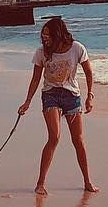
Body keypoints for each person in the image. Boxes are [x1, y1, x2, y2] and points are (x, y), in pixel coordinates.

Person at [18, 17, 98, 195]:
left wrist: (90, 96)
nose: (44, 38)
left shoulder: (77, 48)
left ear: (58, 34)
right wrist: (27, 101)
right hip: (51, 95)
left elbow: (88, 72)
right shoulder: (41, 52)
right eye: (43, 35)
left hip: (72, 96)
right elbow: (36, 79)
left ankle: (87, 181)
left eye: (48, 35)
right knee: (54, 137)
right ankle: (40, 183)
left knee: (78, 140)